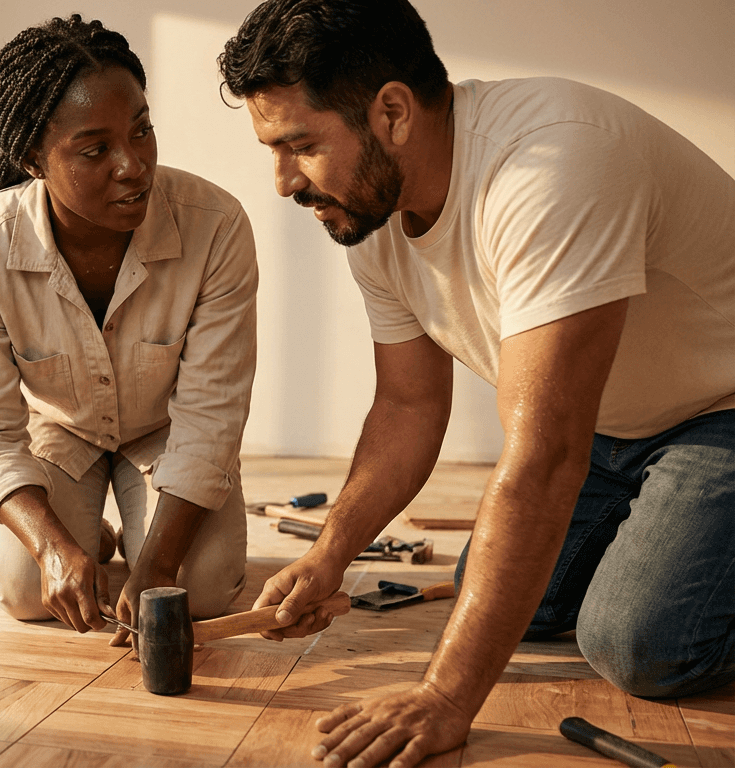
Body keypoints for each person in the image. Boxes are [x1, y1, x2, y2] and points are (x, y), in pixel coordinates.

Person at [217, 0, 735, 766]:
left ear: (392, 111)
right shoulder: (372, 212)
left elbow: (548, 457)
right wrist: (328, 557)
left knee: (637, 645)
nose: (284, 180)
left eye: (300, 145)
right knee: (498, 600)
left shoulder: (553, 164)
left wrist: (448, 696)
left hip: (719, 410)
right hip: (618, 428)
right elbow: (407, 405)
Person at [0, 15, 293, 644]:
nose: (132, 166)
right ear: (31, 159)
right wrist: (51, 548)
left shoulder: (215, 227)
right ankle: (89, 534)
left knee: (200, 589)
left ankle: (135, 530)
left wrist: (155, 563)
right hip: (62, 434)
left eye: (142, 131)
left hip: (167, 434)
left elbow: (212, 416)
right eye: (95, 149)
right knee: (24, 589)